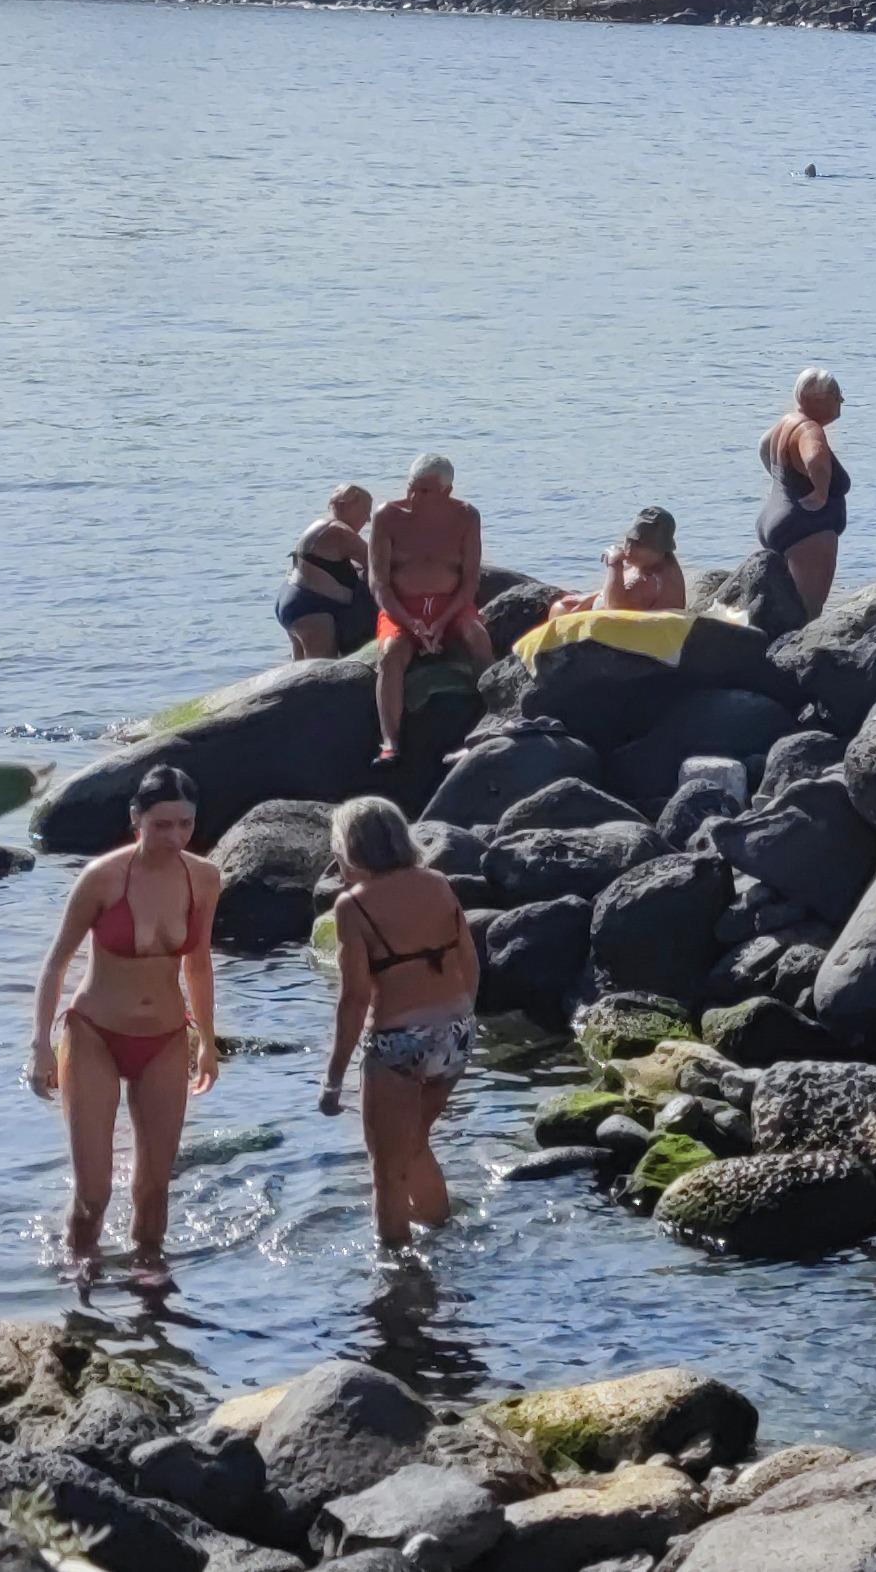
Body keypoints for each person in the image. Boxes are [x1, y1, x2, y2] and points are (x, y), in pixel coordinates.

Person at [29, 765, 220, 1274]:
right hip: (95, 1034)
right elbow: (56, 962)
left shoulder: (203, 878)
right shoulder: (103, 879)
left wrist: (207, 1039)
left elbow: (198, 963)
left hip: (164, 1038)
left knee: (154, 1189)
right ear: (136, 818)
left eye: (185, 824)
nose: (176, 836)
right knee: (93, 1193)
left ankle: (151, 1297)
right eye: (163, 825)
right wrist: (40, 1046)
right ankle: (80, 1290)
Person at [319, 797, 478, 1248]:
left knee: (386, 1170)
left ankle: (396, 1275)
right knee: (414, 1144)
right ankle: (444, 1238)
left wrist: (333, 1081)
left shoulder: (353, 906)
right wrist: (462, 1015)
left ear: (350, 848)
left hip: (399, 1044)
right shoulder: (439, 883)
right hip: (455, 1035)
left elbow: (352, 1000)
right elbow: (469, 960)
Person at [370, 454, 493, 765]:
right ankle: (390, 742)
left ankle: (494, 717)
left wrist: (441, 622)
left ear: (446, 491)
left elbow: (469, 582)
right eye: (412, 488)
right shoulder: (387, 516)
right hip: (402, 609)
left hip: (451, 606)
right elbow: (379, 584)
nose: (414, 497)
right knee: (390, 654)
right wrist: (411, 624)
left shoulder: (466, 517)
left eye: (424, 491)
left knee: (478, 637)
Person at [757, 367, 851, 622]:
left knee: (784, 607)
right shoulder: (810, 430)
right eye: (836, 394)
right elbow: (816, 459)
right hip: (808, 532)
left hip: (778, 519)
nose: (841, 400)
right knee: (807, 614)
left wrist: (782, 485)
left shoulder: (786, 423)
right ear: (816, 398)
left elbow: (764, 446)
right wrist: (820, 494)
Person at [277, 484, 377, 660]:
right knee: (322, 670)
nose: (368, 519)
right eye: (366, 511)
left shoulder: (320, 526)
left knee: (297, 669)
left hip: (291, 601)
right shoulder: (340, 532)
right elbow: (378, 563)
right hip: (312, 608)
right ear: (349, 506)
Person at [548, 507, 688, 619]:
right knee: (566, 602)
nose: (629, 549)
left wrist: (614, 563)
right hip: (616, 623)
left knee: (560, 609)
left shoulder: (655, 579)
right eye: (628, 541)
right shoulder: (646, 564)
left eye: (639, 545)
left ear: (658, 549)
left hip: (631, 637)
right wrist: (590, 598)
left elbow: (615, 607)